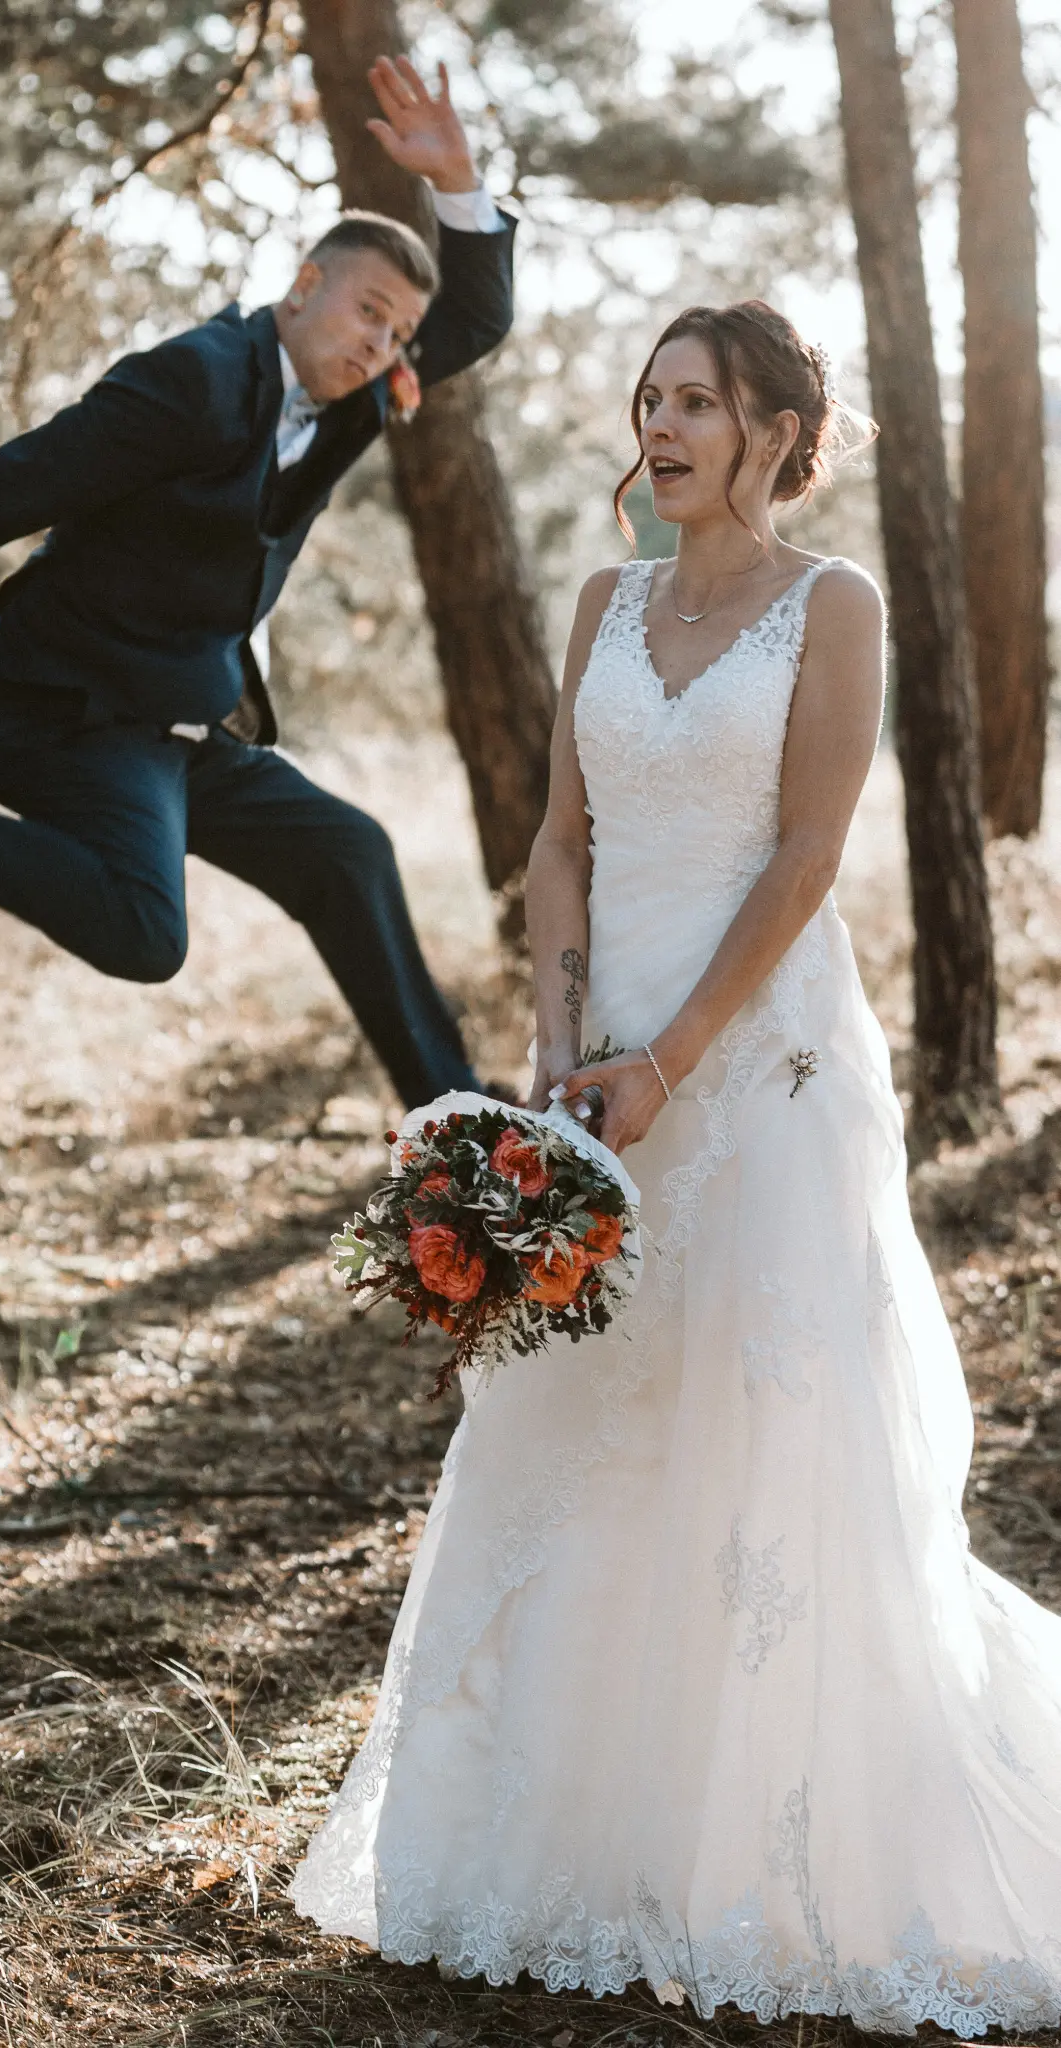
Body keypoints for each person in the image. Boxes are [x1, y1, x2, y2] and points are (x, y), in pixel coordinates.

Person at [291, 301, 1061, 2032]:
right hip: (601, 1052)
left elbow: (806, 856)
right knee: (579, 1409)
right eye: (651, 398)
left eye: (699, 401)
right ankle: (554, 1844)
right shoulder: (604, 603)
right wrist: (564, 1050)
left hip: (759, 1056)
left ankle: (747, 1857)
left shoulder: (832, 605)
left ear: (779, 432)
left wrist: (673, 1059)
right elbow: (560, 842)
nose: (663, 424)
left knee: (752, 1418)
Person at [0, 59, 514, 1111]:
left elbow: (475, 321)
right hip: (66, 714)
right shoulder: (194, 380)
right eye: (367, 312)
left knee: (349, 853)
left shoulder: (355, 394)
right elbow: (21, 480)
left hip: (183, 718)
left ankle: (455, 1127)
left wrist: (459, 182)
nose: (381, 345)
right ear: (302, 287)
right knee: (147, 935)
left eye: (396, 334)